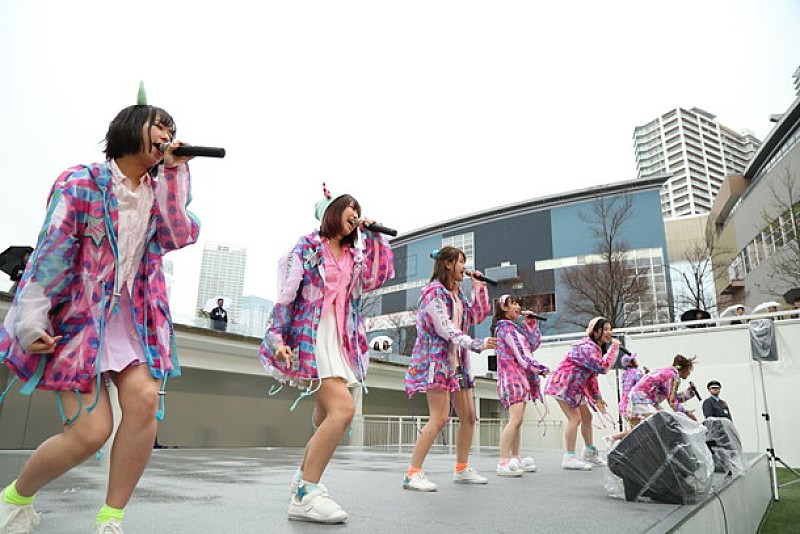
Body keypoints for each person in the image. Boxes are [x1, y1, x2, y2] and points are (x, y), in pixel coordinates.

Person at [0, 86, 200, 534]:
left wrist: (174, 177)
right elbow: (50, 254)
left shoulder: (160, 187)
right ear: (131, 127)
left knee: (145, 401)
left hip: (135, 320)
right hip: (78, 320)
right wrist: (32, 320)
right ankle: (14, 498)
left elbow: (179, 234)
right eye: (161, 126)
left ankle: (111, 518)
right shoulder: (80, 182)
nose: (169, 135)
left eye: (173, 130)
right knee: (90, 435)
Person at [258, 184, 394, 523]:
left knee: (324, 419)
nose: (355, 213)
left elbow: (379, 277)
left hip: (340, 339)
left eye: (358, 209)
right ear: (332, 212)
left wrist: (375, 239)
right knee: (343, 410)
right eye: (349, 207)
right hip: (311, 335)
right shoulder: (308, 247)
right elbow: (287, 296)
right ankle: (306, 491)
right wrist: (277, 339)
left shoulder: (353, 256)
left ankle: (302, 483)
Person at [403, 246, 496, 491]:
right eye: (461, 261)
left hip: (459, 362)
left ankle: (462, 468)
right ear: (448, 264)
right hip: (437, 361)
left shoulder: (458, 294)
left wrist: (479, 289)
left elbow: (477, 316)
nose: (464, 266)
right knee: (440, 417)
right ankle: (412, 473)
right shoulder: (433, 293)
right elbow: (445, 329)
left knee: (469, 416)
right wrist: (477, 344)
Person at [544, 316, 620, 470]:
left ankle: (589, 453)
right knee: (575, 418)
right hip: (563, 385)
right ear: (595, 332)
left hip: (573, 387)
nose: (609, 332)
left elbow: (592, 376)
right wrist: (614, 348)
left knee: (587, 417)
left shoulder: (595, 348)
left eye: (610, 329)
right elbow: (603, 368)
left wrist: (598, 398)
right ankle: (569, 457)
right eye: (605, 329)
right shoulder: (587, 348)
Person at [491, 295, 548, 477]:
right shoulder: (506, 329)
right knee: (514, 420)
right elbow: (523, 354)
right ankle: (503, 461)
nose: (518, 306)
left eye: (517, 303)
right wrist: (541, 369)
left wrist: (530, 324)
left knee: (518, 421)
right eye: (514, 303)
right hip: (512, 379)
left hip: (518, 378)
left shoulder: (513, 328)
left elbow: (530, 346)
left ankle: (515, 457)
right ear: (504, 309)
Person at [627, 354, 699, 422]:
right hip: (643, 400)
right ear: (685, 369)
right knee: (647, 427)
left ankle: (616, 436)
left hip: (642, 399)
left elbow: (672, 398)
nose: (689, 373)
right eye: (689, 370)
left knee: (648, 426)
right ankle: (616, 436)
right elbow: (672, 401)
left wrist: (689, 393)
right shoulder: (672, 375)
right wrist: (687, 413)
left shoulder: (667, 372)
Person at [607, 352, 647, 442]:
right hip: (636, 403)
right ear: (630, 363)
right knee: (639, 428)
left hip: (626, 404)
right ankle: (613, 438)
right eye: (633, 360)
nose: (635, 361)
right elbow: (642, 385)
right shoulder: (637, 372)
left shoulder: (625, 374)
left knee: (635, 429)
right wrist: (647, 375)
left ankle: (616, 440)